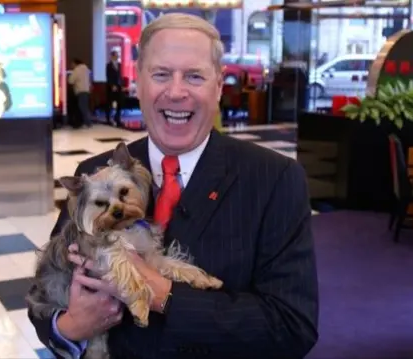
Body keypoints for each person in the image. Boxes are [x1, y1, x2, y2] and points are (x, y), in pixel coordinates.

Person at [29, 13, 319, 359]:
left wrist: (161, 292)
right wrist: (73, 327)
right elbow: (43, 298)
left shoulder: (275, 179)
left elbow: (291, 327)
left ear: (218, 85)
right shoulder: (92, 173)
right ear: (138, 81)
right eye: (161, 74)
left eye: (194, 76)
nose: (176, 91)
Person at [68, 58, 92, 128]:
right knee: (85, 107)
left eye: (72, 64)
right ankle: (86, 122)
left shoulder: (76, 70)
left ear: (75, 63)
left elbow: (71, 81)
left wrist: (69, 77)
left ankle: (88, 123)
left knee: (82, 107)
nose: (71, 66)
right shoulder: (86, 69)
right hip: (86, 90)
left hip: (80, 91)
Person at [106, 50, 123, 127]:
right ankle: (108, 118)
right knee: (110, 103)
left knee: (120, 102)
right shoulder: (108, 65)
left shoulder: (120, 65)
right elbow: (108, 76)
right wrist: (112, 85)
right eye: (115, 55)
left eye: (117, 55)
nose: (117, 57)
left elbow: (120, 76)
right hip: (111, 87)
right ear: (112, 56)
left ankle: (117, 118)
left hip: (119, 86)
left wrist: (121, 85)